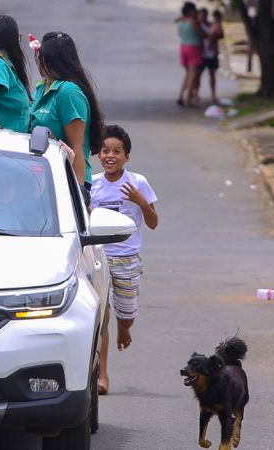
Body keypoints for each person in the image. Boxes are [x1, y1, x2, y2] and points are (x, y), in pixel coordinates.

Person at [91, 124, 158, 395]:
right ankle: (102, 376)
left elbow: (153, 223)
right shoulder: (92, 184)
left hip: (127, 258)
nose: (110, 156)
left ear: (126, 156)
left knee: (126, 314)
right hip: (99, 256)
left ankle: (125, 328)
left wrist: (142, 202)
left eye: (116, 151)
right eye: (105, 150)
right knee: (101, 318)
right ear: (98, 154)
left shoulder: (137, 182)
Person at [29, 31, 104, 189]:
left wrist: (79, 193)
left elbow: (76, 147)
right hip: (43, 177)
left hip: (67, 181)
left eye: (43, 56)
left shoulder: (68, 92)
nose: (39, 60)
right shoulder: (41, 88)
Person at [176, 2, 204, 107]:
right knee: (193, 75)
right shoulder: (193, 22)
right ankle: (188, 98)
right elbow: (201, 33)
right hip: (193, 47)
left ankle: (181, 95)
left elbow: (179, 34)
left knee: (188, 74)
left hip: (183, 47)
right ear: (190, 11)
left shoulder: (181, 22)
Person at [199, 9, 224, 106]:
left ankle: (213, 94)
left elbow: (221, 35)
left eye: (204, 15)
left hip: (211, 53)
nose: (203, 17)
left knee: (212, 74)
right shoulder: (198, 26)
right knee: (197, 75)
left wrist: (214, 36)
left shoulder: (212, 25)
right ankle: (195, 94)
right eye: (201, 15)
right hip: (202, 53)